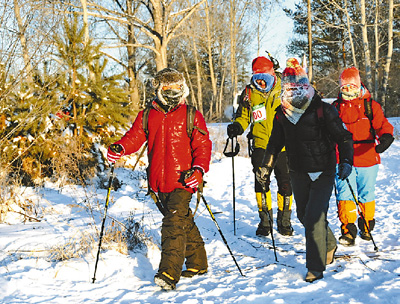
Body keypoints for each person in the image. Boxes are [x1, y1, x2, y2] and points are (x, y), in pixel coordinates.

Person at [107, 68, 212, 290]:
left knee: (173, 223)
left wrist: (199, 170)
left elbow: (202, 145)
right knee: (182, 219)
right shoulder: (147, 115)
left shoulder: (191, 115)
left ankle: (168, 272)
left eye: (177, 88)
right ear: (159, 89)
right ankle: (198, 262)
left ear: (182, 88)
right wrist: (120, 147)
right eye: (167, 88)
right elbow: (134, 138)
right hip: (158, 181)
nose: (173, 93)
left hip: (184, 180)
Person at [256, 58, 354, 282]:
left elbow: (344, 137)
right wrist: (265, 167)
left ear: (306, 85)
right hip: (298, 170)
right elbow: (274, 143)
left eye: (299, 85)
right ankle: (328, 242)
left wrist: (346, 161)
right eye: (290, 87)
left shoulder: (323, 109)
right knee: (303, 215)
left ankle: (315, 267)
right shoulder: (282, 114)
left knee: (315, 216)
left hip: (324, 170)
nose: (294, 91)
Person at [227, 56, 294, 237]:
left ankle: (284, 221)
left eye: (265, 77)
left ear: (273, 73)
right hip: (261, 144)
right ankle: (265, 222)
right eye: (258, 78)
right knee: (261, 182)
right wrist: (237, 127)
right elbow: (243, 116)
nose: (262, 82)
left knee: (286, 184)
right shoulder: (249, 93)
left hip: (285, 146)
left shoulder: (287, 88)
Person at [333, 67, 394, 246]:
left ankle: (366, 225)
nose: (348, 91)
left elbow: (382, 125)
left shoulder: (370, 106)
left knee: (366, 193)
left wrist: (386, 137)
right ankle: (348, 229)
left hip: (367, 157)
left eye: (351, 87)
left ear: (358, 85)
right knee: (345, 194)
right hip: (343, 158)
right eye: (344, 88)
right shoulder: (335, 108)